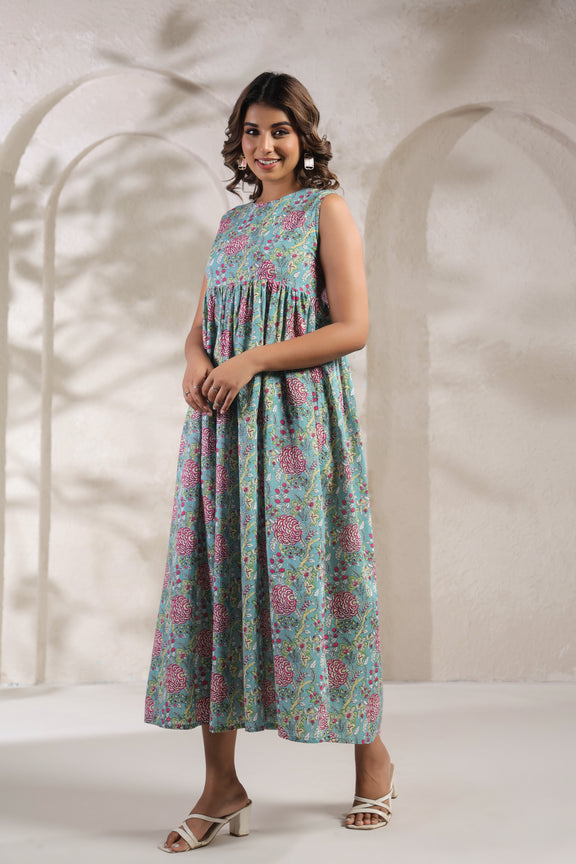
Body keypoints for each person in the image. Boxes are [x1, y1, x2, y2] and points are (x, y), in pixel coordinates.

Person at [145, 71, 398, 852]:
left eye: (279, 131)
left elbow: (352, 327)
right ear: (238, 141)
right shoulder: (231, 226)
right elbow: (201, 325)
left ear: (304, 137)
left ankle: (374, 760)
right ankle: (221, 785)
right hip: (222, 437)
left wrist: (252, 360)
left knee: (320, 585)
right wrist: (195, 361)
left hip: (299, 432)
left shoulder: (326, 211)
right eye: (252, 131)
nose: (265, 146)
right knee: (217, 588)